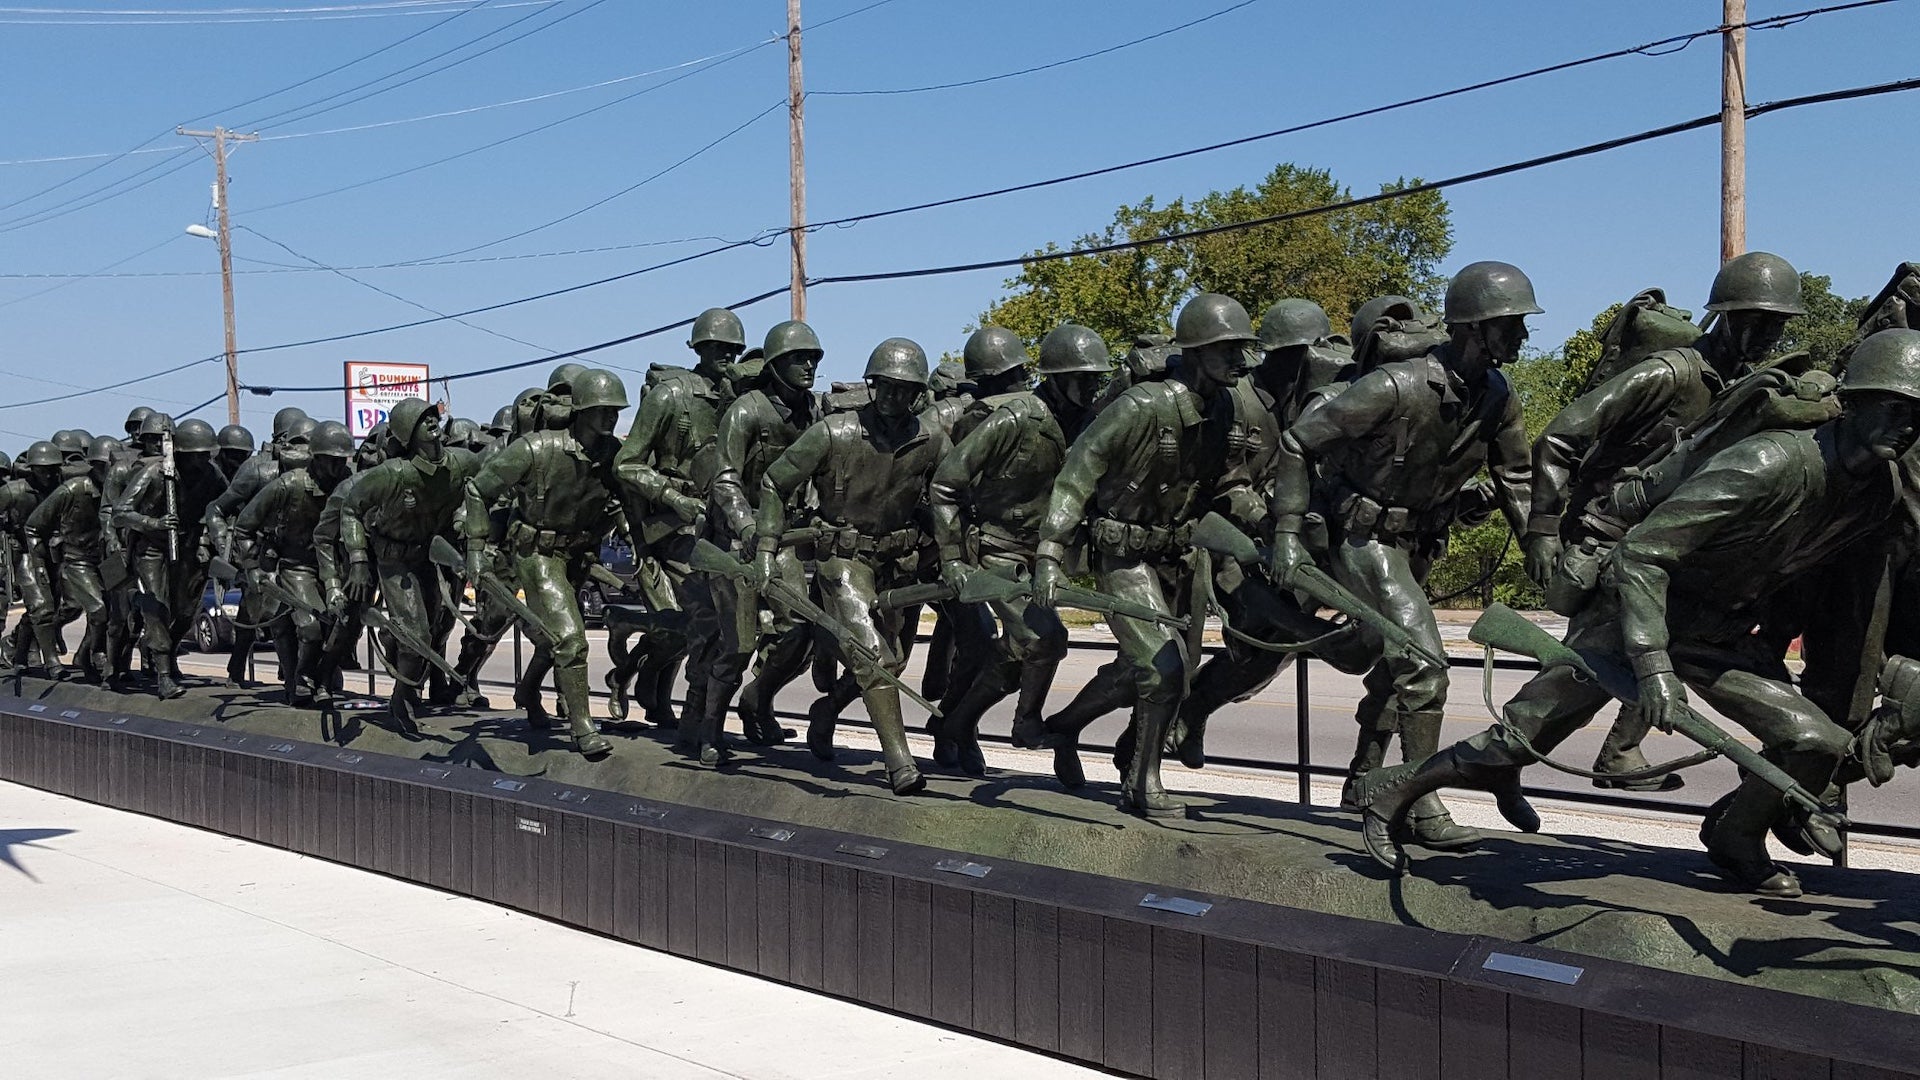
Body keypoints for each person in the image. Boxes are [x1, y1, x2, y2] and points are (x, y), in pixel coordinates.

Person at [1359, 328, 1920, 898]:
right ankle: (1392, 793)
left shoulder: (1877, 491)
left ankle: (1736, 836)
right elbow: (1643, 555)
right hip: (1629, 617)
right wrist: (1652, 665)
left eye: (1919, 417)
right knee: (1517, 740)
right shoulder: (1768, 463)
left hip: (1716, 631)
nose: (1908, 426)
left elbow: (1816, 582)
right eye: (1897, 408)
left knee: (1813, 742)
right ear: (1854, 404)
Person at [1268, 262, 1542, 848]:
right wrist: (1288, 533)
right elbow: (1299, 441)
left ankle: (1366, 776)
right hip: (1362, 539)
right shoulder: (1395, 385)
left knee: (1395, 668)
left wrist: (1545, 550)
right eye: (1512, 324)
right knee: (1424, 662)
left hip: (1418, 542)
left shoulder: (1496, 393)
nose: (1522, 335)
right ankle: (1417, 804)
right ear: (1473, 328)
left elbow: (1518, 478)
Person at [1528, 252, 1806, 792]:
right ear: (1727, 315)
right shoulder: (1668, 372)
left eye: (1779, 322)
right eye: (1760, 319)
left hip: (1667, 544)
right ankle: (1500, 760)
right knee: (1580, 676)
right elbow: (1559, 437)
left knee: (1643, 648)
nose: (1771, 331)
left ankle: (1615, 752)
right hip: (1611, 538)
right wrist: (1542, 529)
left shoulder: (1744, 385)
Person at [1034, 294, 1252, 816]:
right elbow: (1076, 476)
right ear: (1198, 350)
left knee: (1148, 668)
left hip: (1177, 555)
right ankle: (1141, 785)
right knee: (1165, 668)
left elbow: (1228, 483)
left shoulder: (1225, 405)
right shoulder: (1141, 406)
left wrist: (1271, 528)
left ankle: (1064, 727)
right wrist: (1049, 551)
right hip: (1122, 555)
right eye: (1229, 350)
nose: (1240, 362)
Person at [757, 338, 950, 793]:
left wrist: (953, 555)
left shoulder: (930, 441)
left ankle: (827, 710)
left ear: (919, 394)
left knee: (894, 660)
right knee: (874, 656)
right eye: (886, 387)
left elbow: (946, 498)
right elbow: (774, 480)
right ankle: (900, 762)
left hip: (896, 562)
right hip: (843, 560)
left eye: (906, 390)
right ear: (872, 385)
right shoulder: (834, 433)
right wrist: (767, 545)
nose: (894, 398)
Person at [926, 323, 1111, 774]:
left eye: (1096, 378)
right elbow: (947, 485)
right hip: (995, 551)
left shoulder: (1090, 423)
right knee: (1045, 638)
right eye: (1082, 378)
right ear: (1053, 377)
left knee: (1016, 651)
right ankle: (1026, 722)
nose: (1091, 387)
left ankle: (955, 724)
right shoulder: (1016, 418)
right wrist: (952, 558)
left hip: (1042, 557)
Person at [464, 370, 632, 758]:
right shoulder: (536, 449)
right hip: (537, 554)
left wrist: (628, 531)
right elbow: (478, 489)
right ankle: (582, 728)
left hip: (579, 554)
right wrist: (476, 549)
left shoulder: (611, 454)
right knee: (571, 639)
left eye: (615, 411)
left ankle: (526, 690)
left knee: (551, 638)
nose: (610, 418)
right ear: (581, 411)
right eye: (602, 410)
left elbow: (619, 499)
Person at [609, 308, 741, 742]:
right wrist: (674, 499)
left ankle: (644, 682)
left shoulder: (734, 397)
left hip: (719, 525)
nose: (728, 356)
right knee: (703, 622)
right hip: (672, 531)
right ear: (701, 348)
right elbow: (627, 464)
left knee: (706, 625)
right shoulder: (670, 396)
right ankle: (693, 721)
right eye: (720, 348)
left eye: (734, 350)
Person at [702, 320, 826, 749]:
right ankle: (710, 730)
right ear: (774, 365)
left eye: (814, 358)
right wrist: (747, 525)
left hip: (781, 537)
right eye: (799, 358)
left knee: (800, 629)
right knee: (738, 645)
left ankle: (757, 699)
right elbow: (724, 479)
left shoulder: (812, 409)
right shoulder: (746, 411)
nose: (809, 366)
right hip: (736, 542)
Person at [337, 399, 480, 730]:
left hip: (429, 557)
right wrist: (359, 559)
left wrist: (464, 520)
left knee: (430, 634)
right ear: (406, 434)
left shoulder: (461, 464)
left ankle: (402, 662)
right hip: (395, 560)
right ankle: (401, 700)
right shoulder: (392, 474)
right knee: (416, 637)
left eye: (433, 417)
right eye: (421, 420)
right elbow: (350, 510)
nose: (431, 423)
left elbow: (485, 490)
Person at [232, 422, 356, 706]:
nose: (336, 468)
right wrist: (252, 567)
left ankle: (322, 680)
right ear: (316, 457)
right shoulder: (289, 484)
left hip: (335, 568)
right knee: (311, 626)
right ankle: (300, 679)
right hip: (296, 566)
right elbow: (244, 527)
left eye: (341, 461)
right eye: (330, 461)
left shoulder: (348, 483)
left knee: (342, 629)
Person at [114, 419, 226, 700]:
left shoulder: (212, 475)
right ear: (182, 453)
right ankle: (163, 674)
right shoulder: (154, 473)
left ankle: (168, 654)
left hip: (187, 547)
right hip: (152, 548)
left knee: (186, 611)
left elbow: (228, 504)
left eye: (205, 454)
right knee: (158, 607)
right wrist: (153, 523)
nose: (201, 461)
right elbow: (121, 512)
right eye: (195, 455)